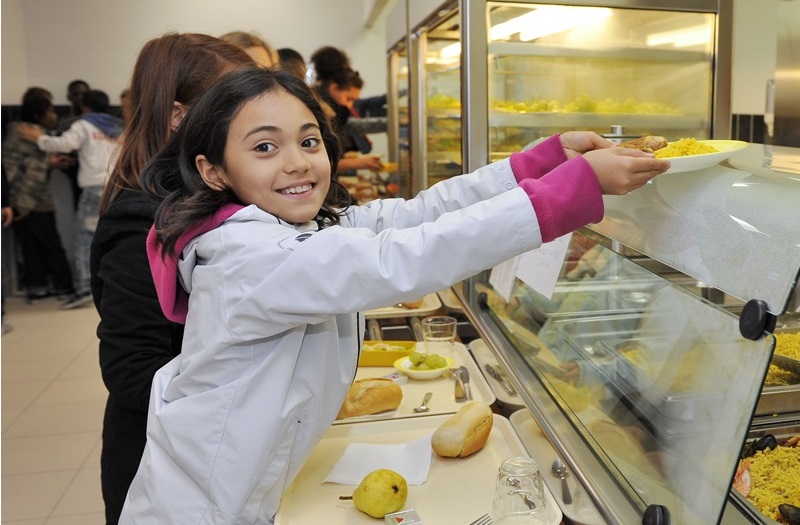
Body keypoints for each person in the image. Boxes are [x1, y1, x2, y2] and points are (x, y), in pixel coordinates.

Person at [121, 66, 669, 523]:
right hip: (199, 509)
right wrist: (570, 191)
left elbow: (414, 216)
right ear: (214, 170)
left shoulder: (291, 228)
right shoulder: (248, 257)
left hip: (242, 490)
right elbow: (404, 257)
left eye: (308, 141)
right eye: (265, 147)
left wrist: (536, 166)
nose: (296, 162)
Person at [90, 33, 254, 524]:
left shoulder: (210, 195)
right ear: (180, 117)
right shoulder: (142, 220)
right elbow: (131, 369)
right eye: (233, 107)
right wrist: (246, 398)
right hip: (164, 467)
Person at [19, 89, 123, 309]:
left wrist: (39, 139)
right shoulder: (118, 127)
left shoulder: (84, 125)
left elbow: (64, 144)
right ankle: (115, 285)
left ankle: (85, 287)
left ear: (85, 107)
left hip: (94, 191)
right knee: (115, 237)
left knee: (86, 238)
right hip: (117, 190)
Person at [2, 89, 75, 303]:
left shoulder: (16, 132)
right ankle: (63, 287)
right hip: (32, 200)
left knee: (31, 246)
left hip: (17, 200)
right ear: (37, 114)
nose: (54, 115)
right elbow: (31, 173)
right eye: (49, 111)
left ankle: (38, 287)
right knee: (50, 245)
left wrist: (51, 163)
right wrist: (22, 206)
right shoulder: (30, 134)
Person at [310, 46, 383, 175]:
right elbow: (319, 162)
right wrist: (359, 163)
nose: (350, 105)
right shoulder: (319, 111)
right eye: (348, 99)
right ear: (333, 88)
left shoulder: (332, 110)